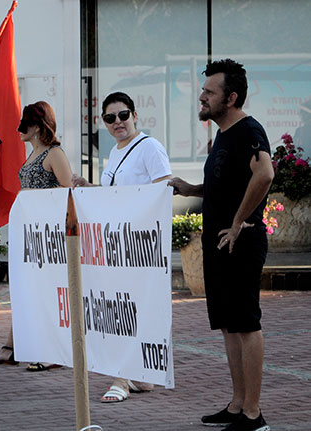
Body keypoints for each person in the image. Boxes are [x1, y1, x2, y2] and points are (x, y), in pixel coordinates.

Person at [169, 59, 273, 431]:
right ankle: (237, 406)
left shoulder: (248, 130)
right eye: (204, 90)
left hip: (239, 242)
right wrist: (192, 189)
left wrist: (238, 222)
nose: (202, 96)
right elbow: (226, 184)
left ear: (230, 97)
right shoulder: (225, 136)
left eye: (209, 92)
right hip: (220, 242)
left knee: (246, 324)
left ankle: (253, 415)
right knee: (229, 326)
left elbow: (265, 173)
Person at [73, 91, 172, 402]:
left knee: (126, 307)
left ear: (135, 115)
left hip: (140, 243)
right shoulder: (115, 153)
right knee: (123, 306)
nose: (118, 122)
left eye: (123, 115)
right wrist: (90, 190)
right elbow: (114, 195)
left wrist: (133, 212)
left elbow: (164, 188)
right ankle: (139, 374)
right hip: (117, 242)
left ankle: (121, 377)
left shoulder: (149, 147)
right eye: (110, 118)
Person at [0, 101, 73, 372]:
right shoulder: (33, 154)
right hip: (28, 233)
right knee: (25, 289)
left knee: (47, 289)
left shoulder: (54, 153)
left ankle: (53, 351)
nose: (20, 130)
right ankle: (15, 345)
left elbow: (67, 191)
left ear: (37, 127)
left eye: (25, 125)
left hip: (47, 236)